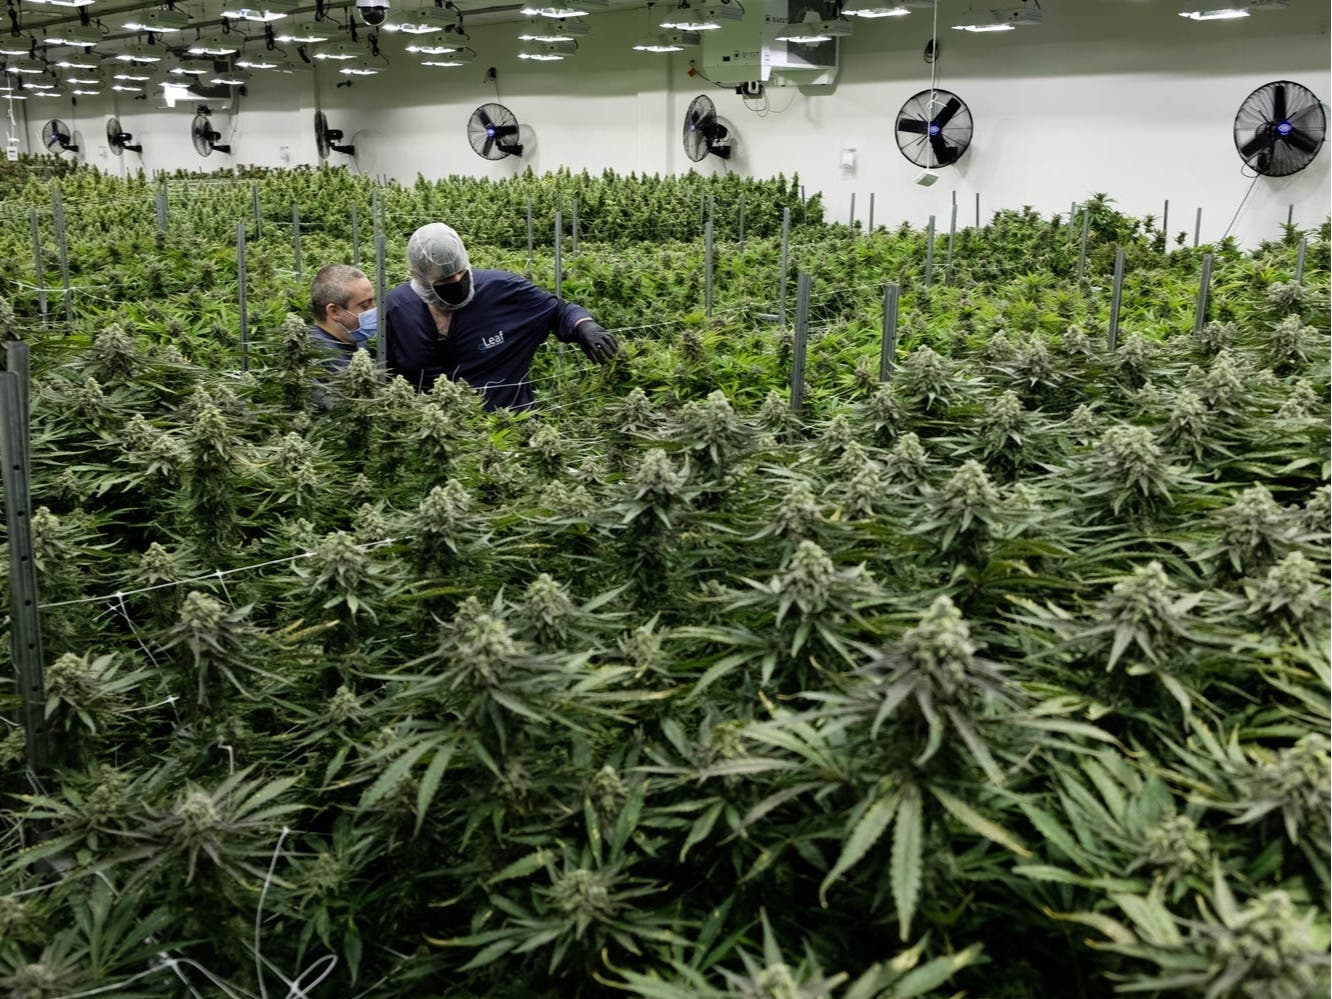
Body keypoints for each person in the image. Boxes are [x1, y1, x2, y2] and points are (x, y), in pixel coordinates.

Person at [383, 222, 617, 411]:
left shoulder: (502, 290)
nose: (456, 283)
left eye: (460, 274)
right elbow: (389, 372)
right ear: (419, 277)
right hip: (432, 435)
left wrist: (584, 326)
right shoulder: (399, 307)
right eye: (444, 281)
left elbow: (558, 311)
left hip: (508, 428)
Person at [309, 263, 377, 372]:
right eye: (365, 305)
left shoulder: (354, 339)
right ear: (334, 312)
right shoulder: (316, 357)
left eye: (373, 301)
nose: (374, 310)